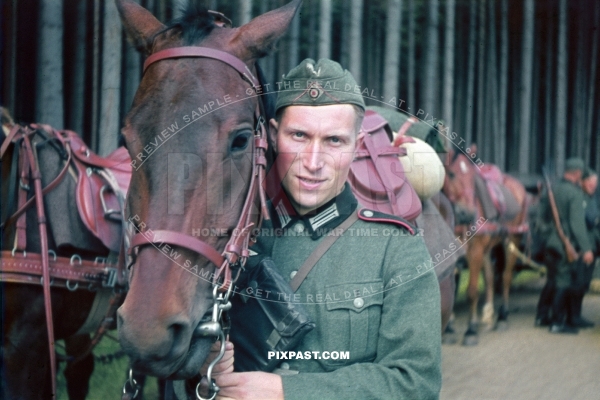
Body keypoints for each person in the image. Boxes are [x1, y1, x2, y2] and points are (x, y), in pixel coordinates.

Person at [211, 59, 442, 399]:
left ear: (357, 144)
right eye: (299, 136)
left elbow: (415, 383)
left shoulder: (397, 249)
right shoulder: (233, 242)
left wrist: (283, 391)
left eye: (334, 140)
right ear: (274, 136)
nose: (314, 162)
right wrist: (206, 368)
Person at [541, 158, 594, 334]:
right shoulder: (574, 193)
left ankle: (548, 317)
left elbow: (544, 217)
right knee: (564, 281)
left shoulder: (554, 189)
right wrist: (586, 249)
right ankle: (557, 323)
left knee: (555, 280)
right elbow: (577, 225)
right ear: (578, 173)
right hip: (565, 244)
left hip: (551, 242)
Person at [569, 168, 600, 328]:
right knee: (578, 282)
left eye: (595, 183)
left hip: (592, 246)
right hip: (581, 247)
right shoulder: (580, 198)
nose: (593, 186)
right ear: (582, 182)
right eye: (590, 182)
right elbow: (588, 220)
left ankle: (576, 316)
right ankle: (572, 317)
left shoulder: (591, 197)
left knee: (584, 283)